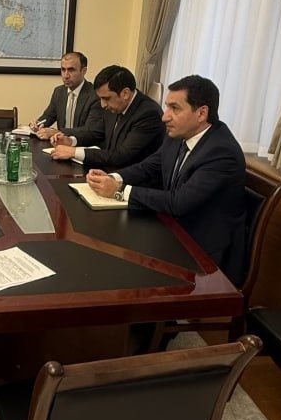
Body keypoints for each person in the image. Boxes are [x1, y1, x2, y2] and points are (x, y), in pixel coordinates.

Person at [86, 75, 248, 283]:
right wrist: (112, 177)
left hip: (205, 255)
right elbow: (149, 166)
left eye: (175, 108)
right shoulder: (179, 135)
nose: (165, 117)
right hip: (174, 230)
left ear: (201, 113)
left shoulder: (221, 152)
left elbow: (179, 202)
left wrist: (119, 190)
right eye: (166, 107)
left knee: (119, 271)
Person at [48, 64, 163, 170]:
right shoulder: (115, 105)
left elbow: (122, 155)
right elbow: (96, 133)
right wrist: (71, 141)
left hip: (133, 179)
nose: (103, 105)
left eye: (106, 99)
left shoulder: (148, 114)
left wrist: (74, 152)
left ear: (125, 93)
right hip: (109, 171)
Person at [29, 51, 105, 143]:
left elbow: (90, 131)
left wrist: (58, 132)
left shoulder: (95, 95)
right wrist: (38, 124)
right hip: (60, 145)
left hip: (83, 146)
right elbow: (48, 116)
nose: (66, 75)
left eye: (71, 70)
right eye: (63, 69)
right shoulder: (59, 92)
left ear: (83, 71)